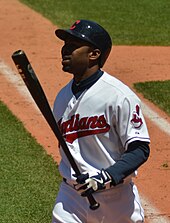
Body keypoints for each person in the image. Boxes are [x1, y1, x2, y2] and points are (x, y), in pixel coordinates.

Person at [52, 19, 150, 223]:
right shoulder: (62, 98)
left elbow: (140, 148)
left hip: (115, 200)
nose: (64, 51)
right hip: (70, 198)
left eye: (73, 46)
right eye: (64, 45)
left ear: (94, 54)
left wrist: (104, 177)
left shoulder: (119, 96)